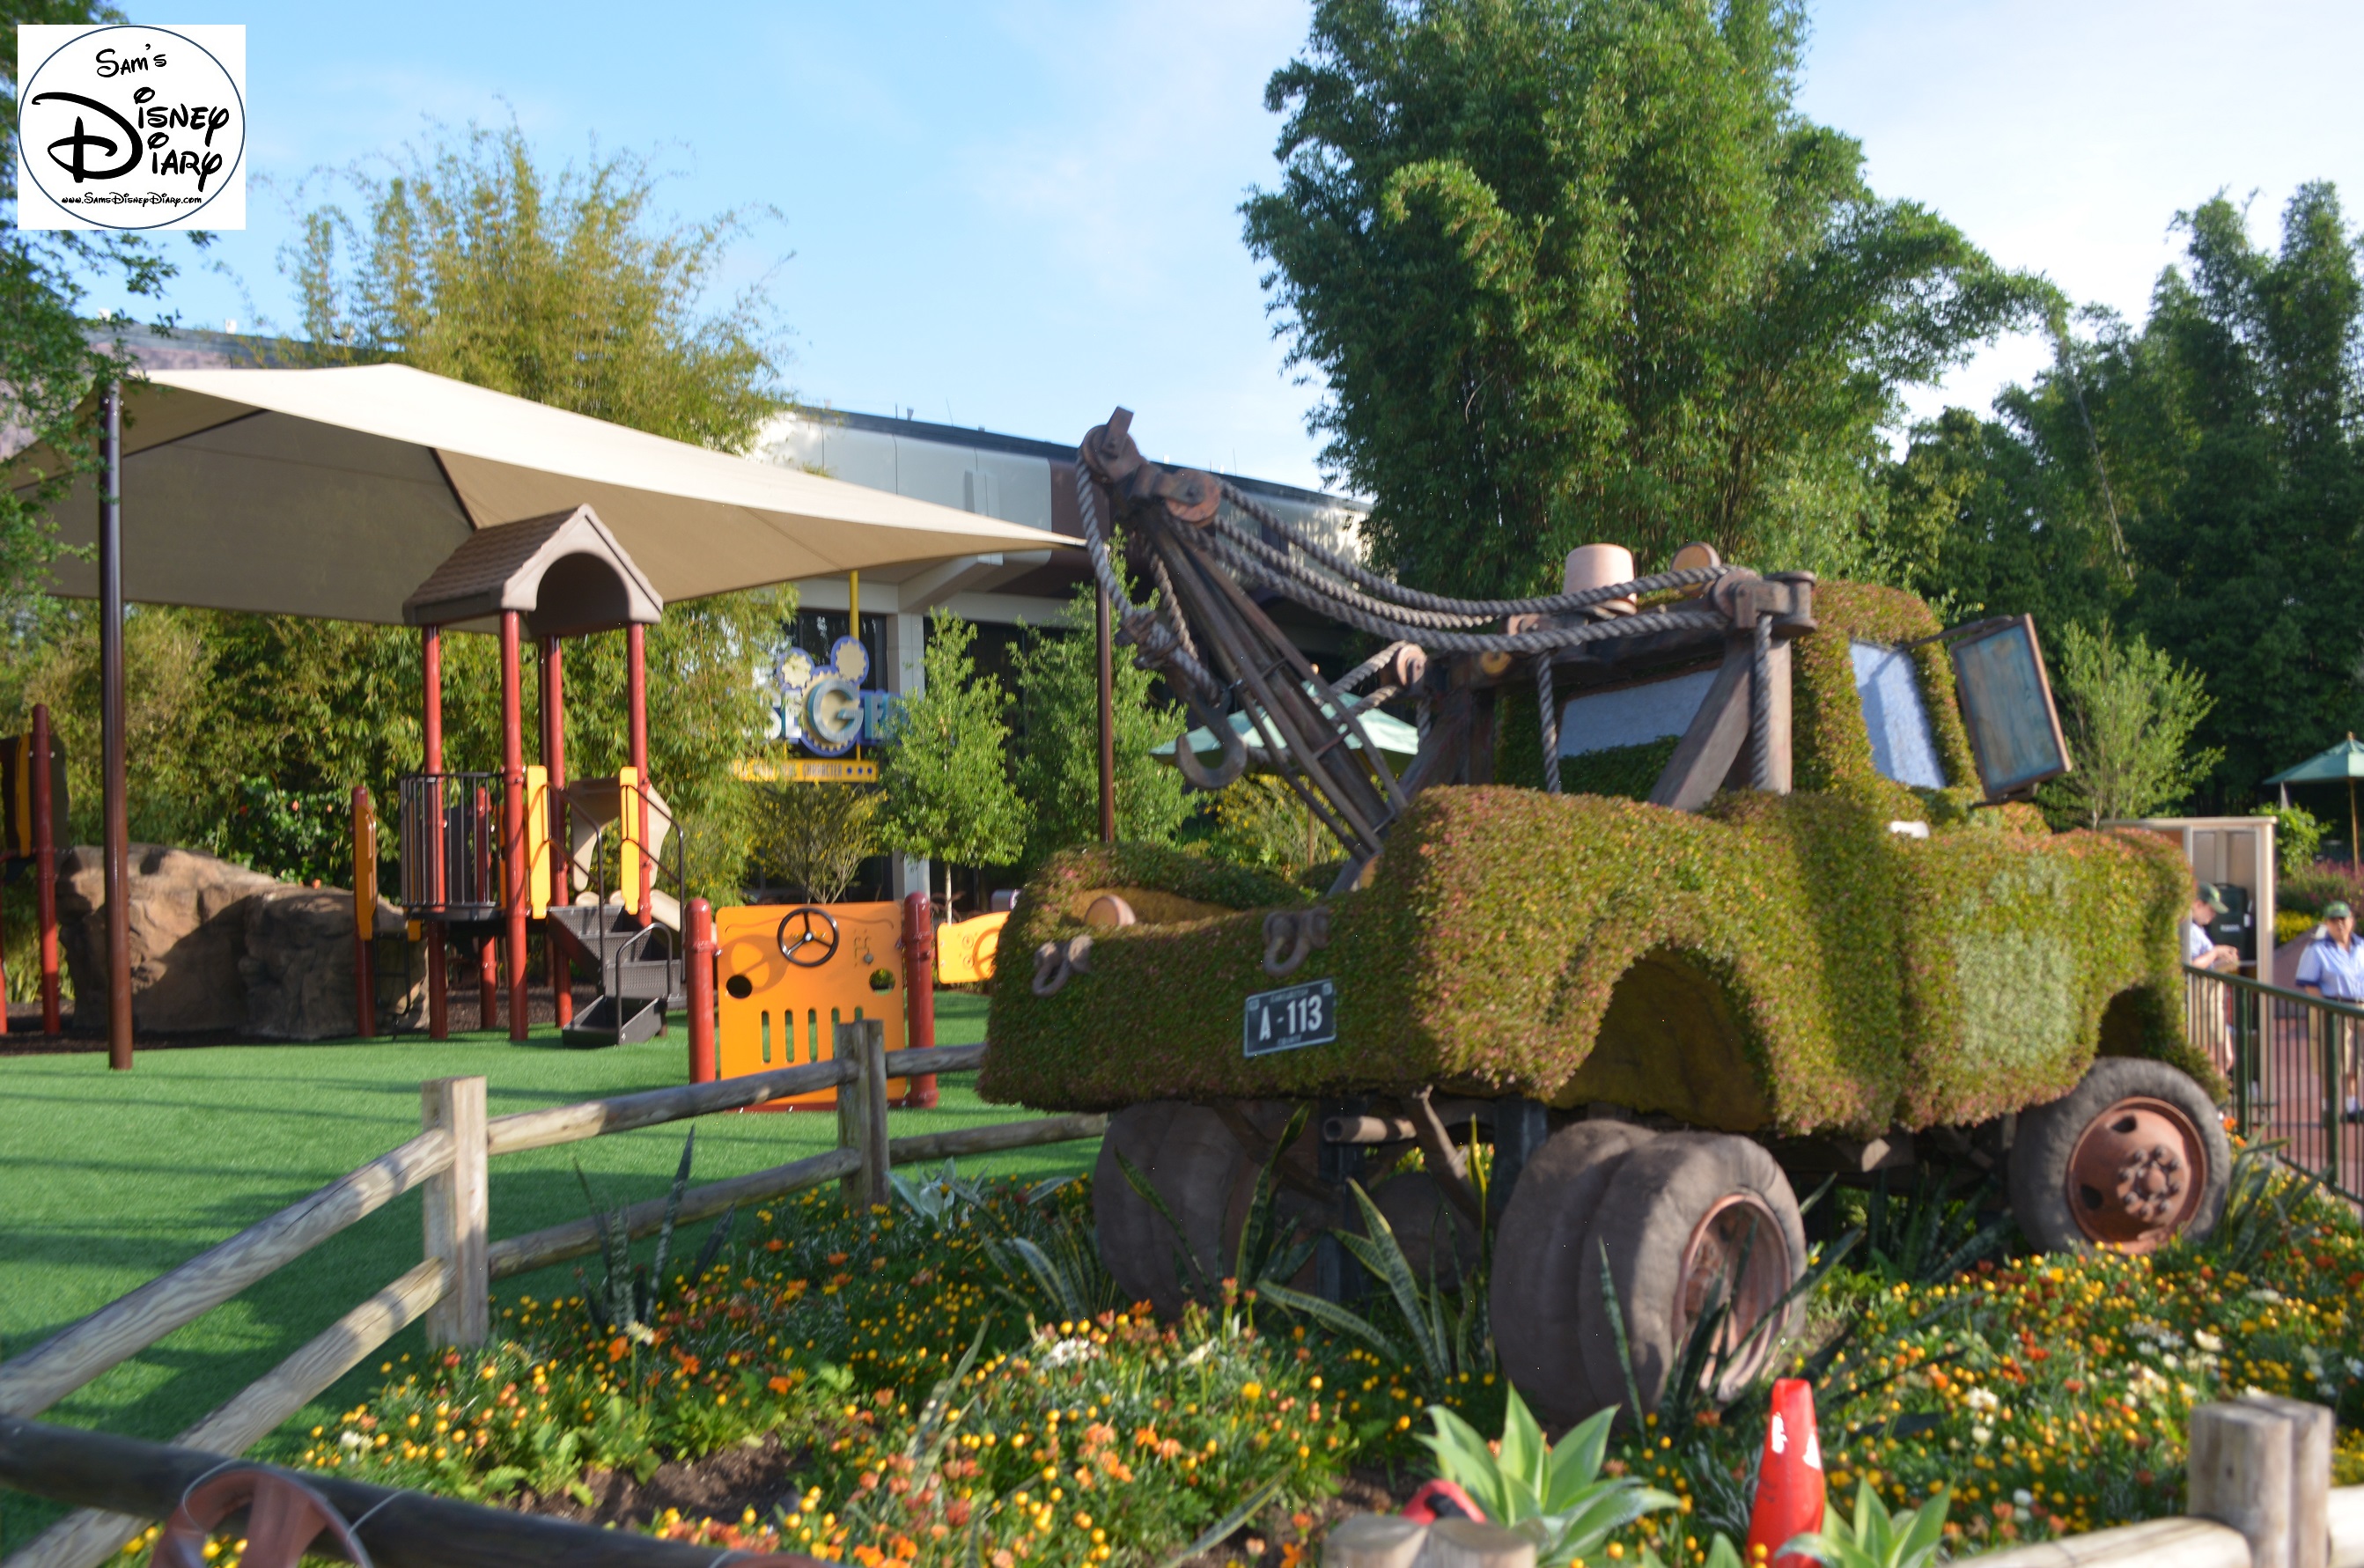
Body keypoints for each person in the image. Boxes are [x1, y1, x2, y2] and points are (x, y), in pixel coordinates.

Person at [2294, 901, 2364, 1121]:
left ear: (2351, 921)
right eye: (2334, 921)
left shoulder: (2361, 946)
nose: (2339, 924)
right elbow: (2309, 984)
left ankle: (2353, 1106)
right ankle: (2329, 1109)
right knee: (2331, 1061)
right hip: (2333, 1006)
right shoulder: (2317, 949)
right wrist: (2326, 1008)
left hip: (2359, 1008)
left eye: (2343, 919)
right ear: (2327, 924)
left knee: (2356, 1059)